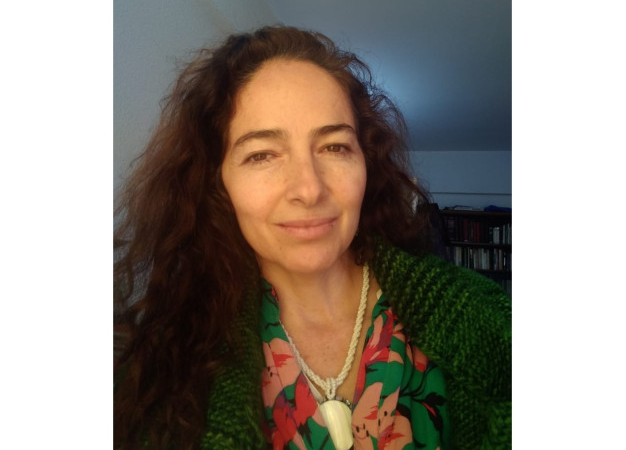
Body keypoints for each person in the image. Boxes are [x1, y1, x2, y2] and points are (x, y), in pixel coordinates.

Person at [114, 26, 511, 450]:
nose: (309, 189)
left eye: (334, 147)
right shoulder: (157, 370)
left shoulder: (494, 322)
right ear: (217, 185)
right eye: (261, 154)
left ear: (367, 162)